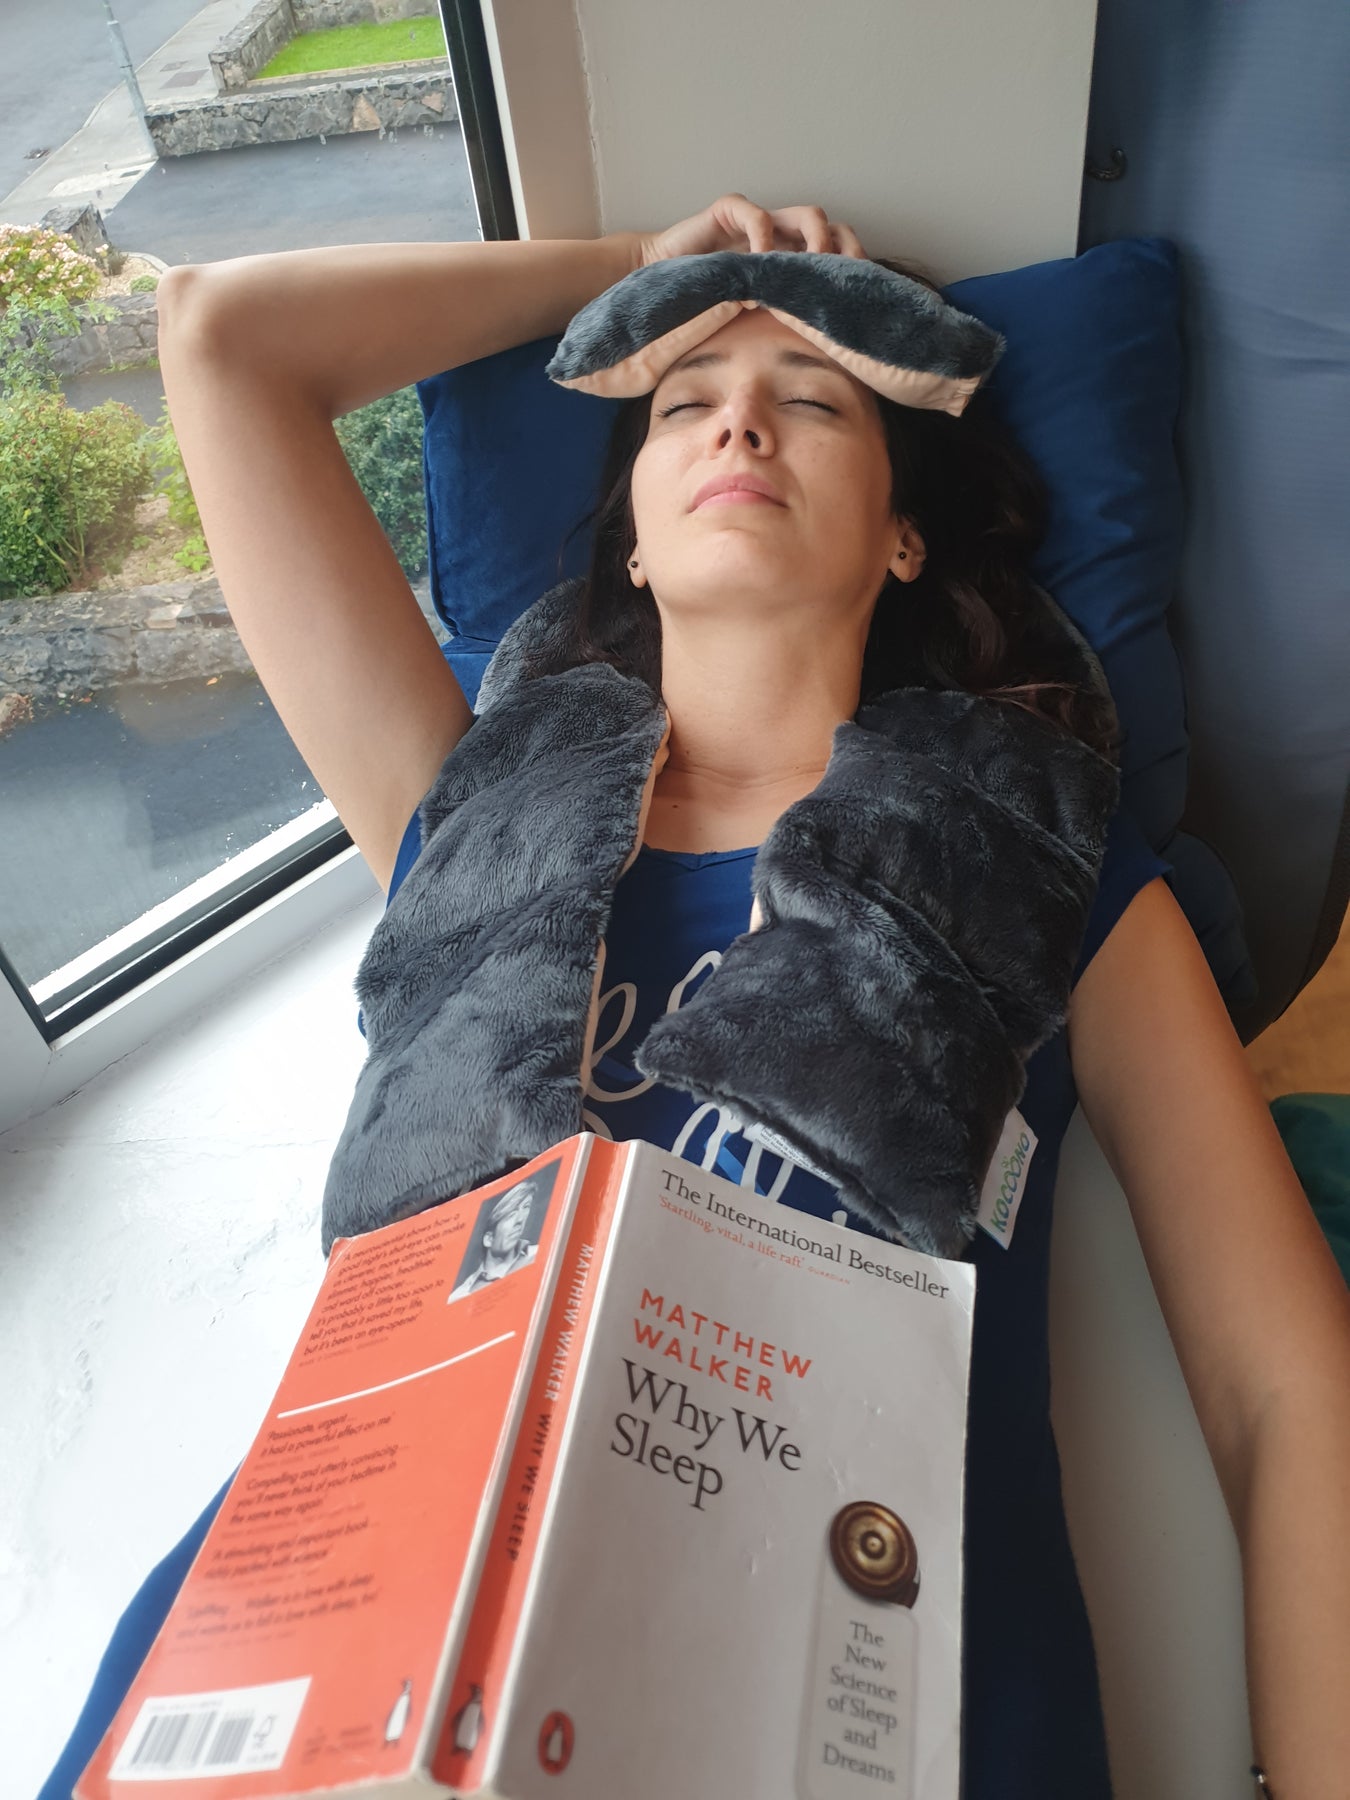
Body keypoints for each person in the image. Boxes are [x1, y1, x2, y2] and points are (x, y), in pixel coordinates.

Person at [42, 196, 1350, 1799]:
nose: (738, 418)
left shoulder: (1041, 863)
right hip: (342, 1643)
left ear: (901, 534)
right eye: (682, 404)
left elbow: (1285, 1385)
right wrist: (642, 276)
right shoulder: (466, 815)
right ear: (634, 542)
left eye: (812, 399)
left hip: (855, 1670)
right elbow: (223, 342)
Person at [448, 1180, 540, 1299]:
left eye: (526, 1208)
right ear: (489, 1239)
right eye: (510, 1216)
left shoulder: (539, 1253)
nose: (520, 1221)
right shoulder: (461, 1295)